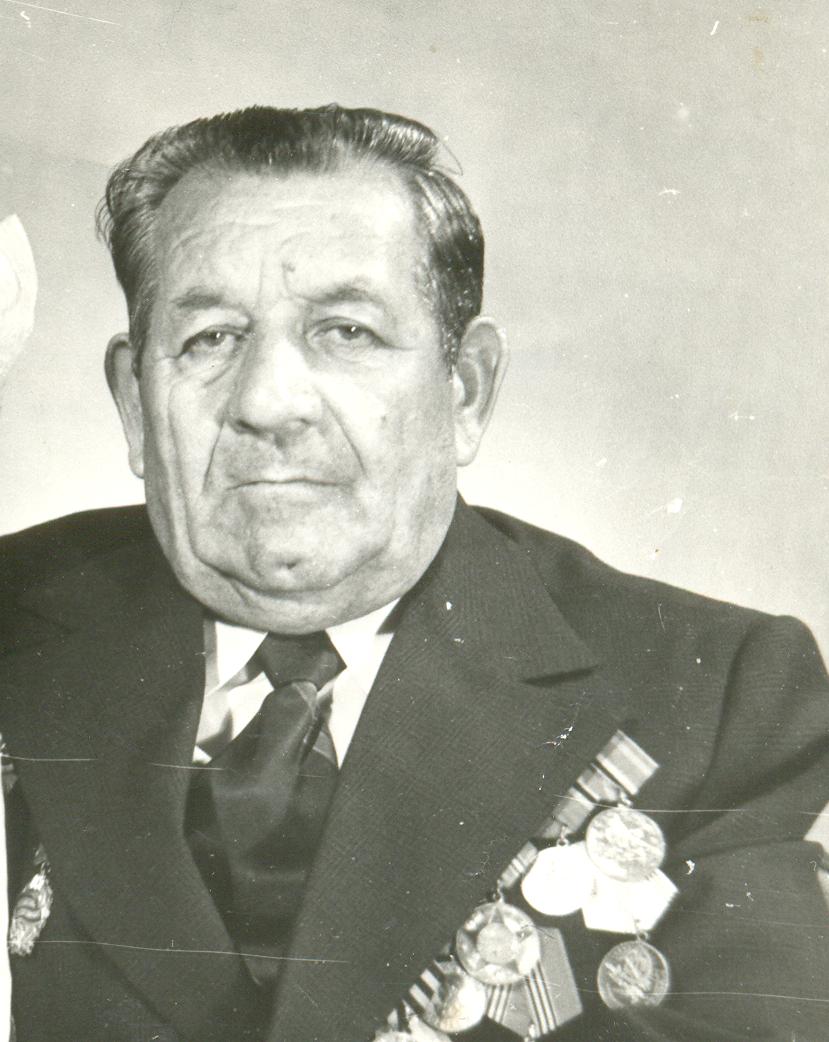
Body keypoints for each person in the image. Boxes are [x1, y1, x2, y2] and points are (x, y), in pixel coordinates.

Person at [0, 105, 826, 1042]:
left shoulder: (711, 693)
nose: (268, 403)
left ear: (464, 388)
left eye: (345, 331)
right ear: (133, 403)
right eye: (210, 339)